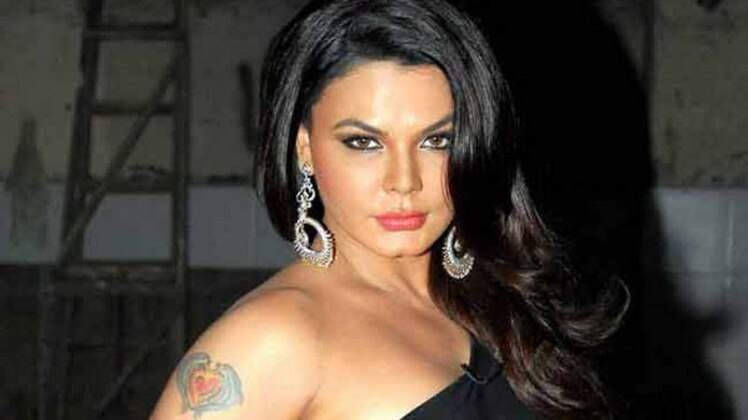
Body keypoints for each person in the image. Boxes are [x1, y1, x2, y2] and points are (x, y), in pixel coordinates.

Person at [152, 0, 628, 418]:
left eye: (436, 140)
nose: (404, 181)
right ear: (305, 148)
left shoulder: (498, 294)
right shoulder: (272, 339)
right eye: (364, 142)